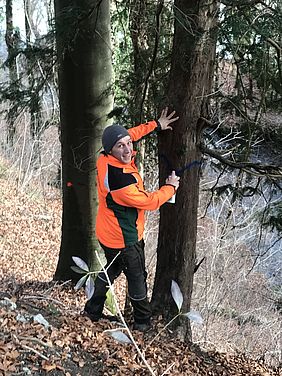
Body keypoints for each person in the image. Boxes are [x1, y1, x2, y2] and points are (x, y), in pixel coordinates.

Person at [84, 108, 180, 332]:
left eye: (128, 143)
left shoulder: (104, 159)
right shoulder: (121, 182)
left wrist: (156, 124)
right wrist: (170, 187)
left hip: (107, 232)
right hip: (124, 238)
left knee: (111, 270)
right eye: (121, 146)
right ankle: (143, 323)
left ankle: (92, 311)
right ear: (111, 150)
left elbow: (130, 134)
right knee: (137, 277)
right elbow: (150, 201)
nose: (128, 149)